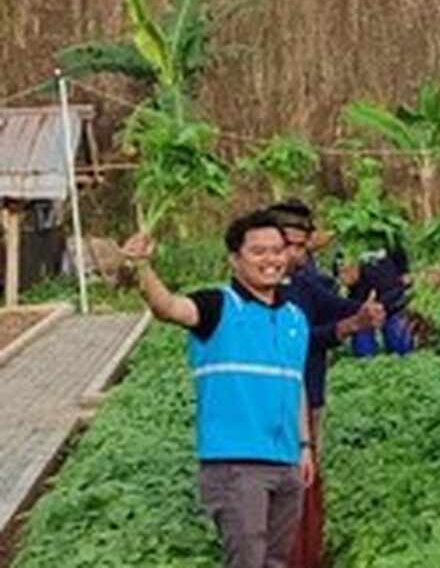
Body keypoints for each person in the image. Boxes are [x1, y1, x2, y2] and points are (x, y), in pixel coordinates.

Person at [120, 211, 314, 568]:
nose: (270, 259)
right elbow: (168, 307)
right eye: (258, 251)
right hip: (237, 465)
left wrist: (304, 447)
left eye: (277, 250)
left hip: (286, 461)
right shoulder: (217, 306)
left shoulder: (294, 318)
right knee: (246, 561)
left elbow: (295, 384)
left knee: (275, 561)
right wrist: (143, 267)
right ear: (235, 259)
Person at [266, 201, 385, 568]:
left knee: (305, 482)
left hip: (310, 393)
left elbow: (333, 306)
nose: (297, 255)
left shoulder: (302, 282)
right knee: (279, 487)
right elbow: (293, 341)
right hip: (272, 401)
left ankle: (306, 556)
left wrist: (363, 310)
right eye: (290, 246)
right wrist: (346, 328)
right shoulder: (258, 293)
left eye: (302, 246)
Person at [338, 242, 413, 357]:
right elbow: (343, 276)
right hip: (361, 309)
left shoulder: (390, 240)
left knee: (403, 353)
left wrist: (406, 284)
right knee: (364, 356)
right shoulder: (348, 243)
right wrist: (348, 278)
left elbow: (404, 272)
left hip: (394, 304)